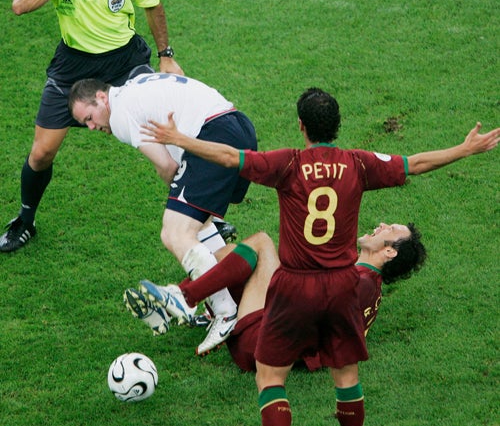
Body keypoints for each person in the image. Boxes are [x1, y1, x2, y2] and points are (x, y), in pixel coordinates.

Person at [138, 86, 499, 426]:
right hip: (339, 284)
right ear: (338, 126)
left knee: (270, 377)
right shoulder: (358, 164)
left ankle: (186, 297)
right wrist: (464, 149)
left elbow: (230, 157)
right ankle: (189, 299)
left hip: (294, 285)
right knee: (347, 377)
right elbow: (415, 164)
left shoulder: (288, 164)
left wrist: (180, 139)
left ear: (301, 126)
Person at [0, 0, 182, 254]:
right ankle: (25, 220)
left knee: (169, 133)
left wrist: (165, 56)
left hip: (124, 62)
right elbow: (20, 4)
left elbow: (152, 3)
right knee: (41, 154)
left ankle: (207, 216)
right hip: (73, 65)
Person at [68, 72, 258, 354]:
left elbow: (166, 166)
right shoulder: (134, 86)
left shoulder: (119, 115)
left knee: (174, 231)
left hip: (212, 133)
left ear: (101, 97)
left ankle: (225, 311)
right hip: (238, 126)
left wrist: (181, 199)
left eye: (89, 118)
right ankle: (226, 297)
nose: (92, 127)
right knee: (199, 223)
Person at [124, 222, 426, 368]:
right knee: (230, 253)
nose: (382, 225)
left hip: (261, 345)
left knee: (261, 244)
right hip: (270, 336)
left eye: (391, 229)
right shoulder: (364, 281)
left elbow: (298, 308)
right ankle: (189, 310)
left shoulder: (357, 283)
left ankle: (190, 300)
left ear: (389, 251)